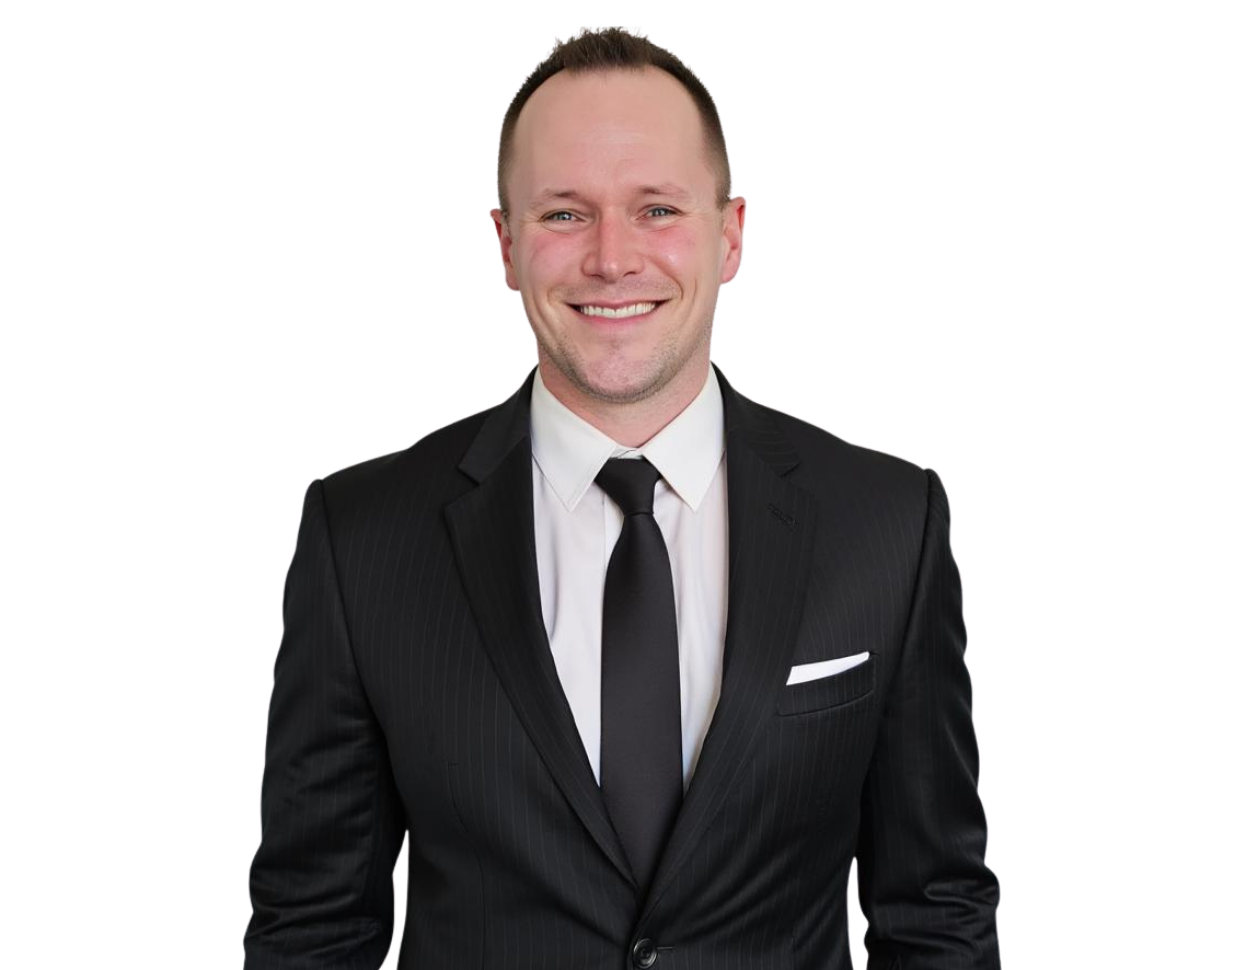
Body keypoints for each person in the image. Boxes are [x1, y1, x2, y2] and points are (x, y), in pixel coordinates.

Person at [244, 25, 999, 970]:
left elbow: (934, 908)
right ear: (506, 245)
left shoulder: (892, 519)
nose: (612, 258)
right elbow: (314, 929)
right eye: (564, 214)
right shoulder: (359, 538)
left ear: (730, 236)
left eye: (656, 209)